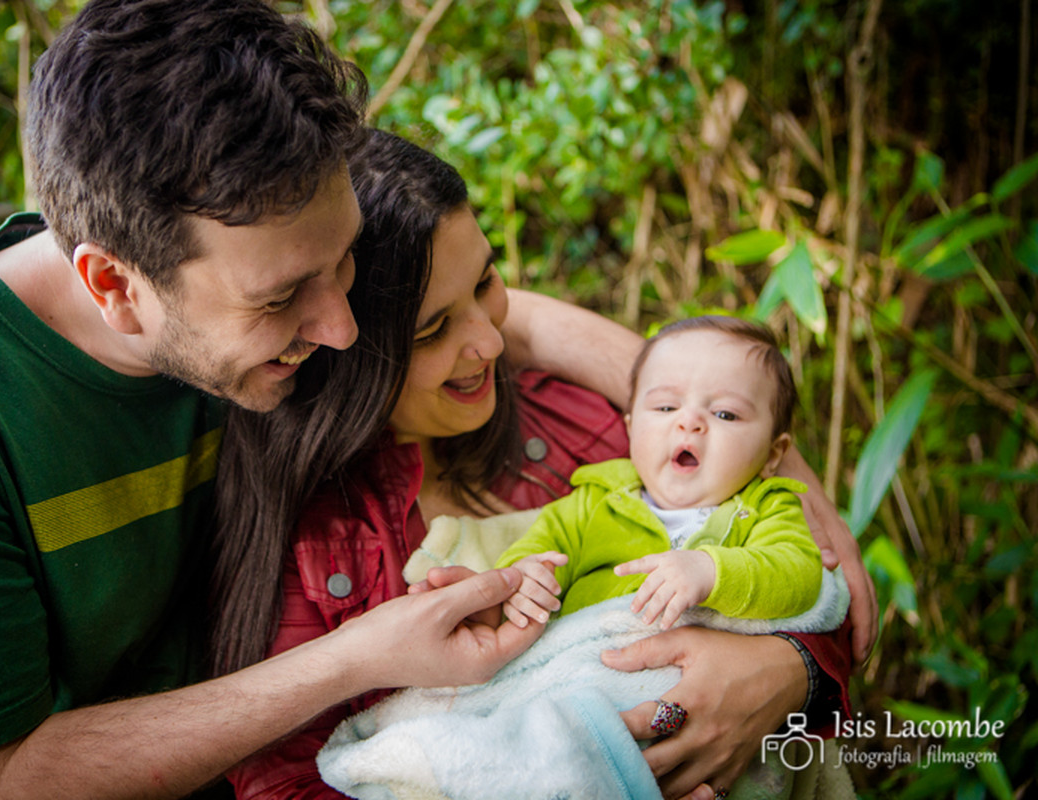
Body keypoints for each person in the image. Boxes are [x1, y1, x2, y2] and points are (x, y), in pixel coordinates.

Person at [0, 3, 625, 798]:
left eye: (344, 261)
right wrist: (356, 657)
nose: (341, 330)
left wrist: (688, 406)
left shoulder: (253, 298)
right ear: (114, 285)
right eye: (281, 297)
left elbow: (468, 310)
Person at [215, 130, 867, 800]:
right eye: (434, 330)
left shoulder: (581, 420)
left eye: (487, 282)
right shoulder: (311, 540)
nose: (491, 341)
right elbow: (285, 780)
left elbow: (811, 586)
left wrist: (787, 673)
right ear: (341, 346)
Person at [500, 315, 823, 634]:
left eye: (725, 414)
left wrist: (712, 572)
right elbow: (538, 546)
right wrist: (526, 576)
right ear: (631, 429)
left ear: (773, 454)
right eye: (666, 407)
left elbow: (799, 576)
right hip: (588, 654)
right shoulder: (595, 499)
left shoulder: (766, 507)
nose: (689, 422)